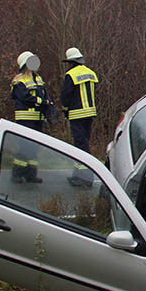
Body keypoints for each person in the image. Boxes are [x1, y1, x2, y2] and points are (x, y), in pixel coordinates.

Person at [10, 51, 53, 183]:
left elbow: (45, 95)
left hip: (37, 118)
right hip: (25, 119)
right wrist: (42, 102)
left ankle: (30, 174)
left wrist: (49, 105)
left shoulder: (38, 79)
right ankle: (17, 174)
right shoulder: (19, 80)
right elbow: (24, 97)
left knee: (34, 147)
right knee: (24, 146)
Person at [60, 47, 99, 187]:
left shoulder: (71, 75)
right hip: (89, 114)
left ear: (70, 62)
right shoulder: (90, 73)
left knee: (80, 146)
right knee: (84, 143)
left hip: (77, 114)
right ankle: (78, 175)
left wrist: (65, 110)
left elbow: (66, 96)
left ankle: (85, 178)